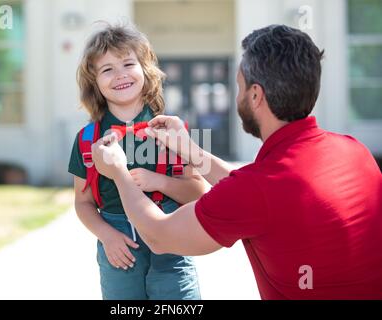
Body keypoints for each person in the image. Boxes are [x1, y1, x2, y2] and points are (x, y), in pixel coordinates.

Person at [91, 25, 382, 300]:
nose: (237, 95)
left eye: (240, 86)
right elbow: (258, 188)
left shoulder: (257, 190)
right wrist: (189, 149)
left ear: (256, 95)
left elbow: (159, 236)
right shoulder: (354, 151)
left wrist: (118, 171)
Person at [68, 23, 206, 300]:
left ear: (146, 69)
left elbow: (199, 191)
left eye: (128, 64)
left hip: (172, 243)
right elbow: (83, 203)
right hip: (119, 248)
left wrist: (159, 181)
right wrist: (106, 236)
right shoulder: (87, 139)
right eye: (107, 69)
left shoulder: (172, 129)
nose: (120, 75)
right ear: (94, 82)